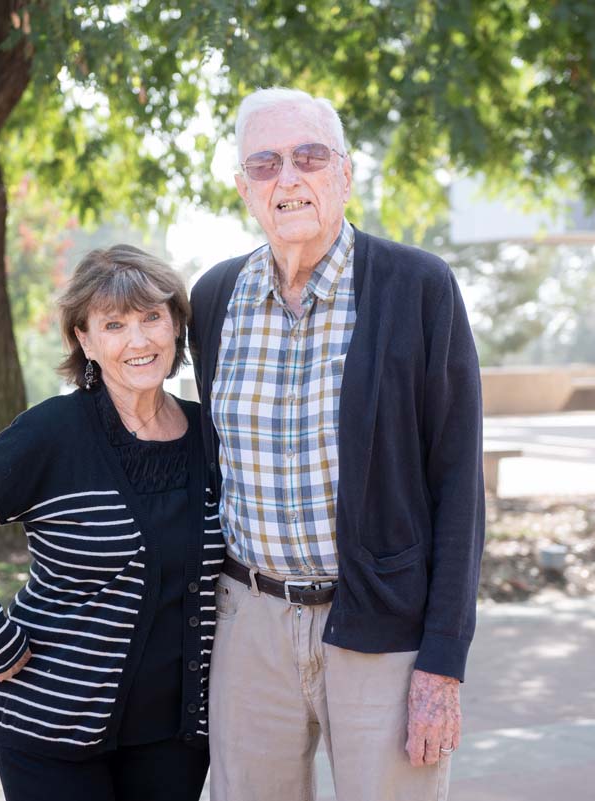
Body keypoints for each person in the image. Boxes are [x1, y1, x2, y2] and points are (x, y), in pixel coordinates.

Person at [189, 87, 485, 801]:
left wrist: (442, 661)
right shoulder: (213, 298)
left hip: (381, 622)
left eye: (308, 157)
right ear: (243, 188)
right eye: (264, 164)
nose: (287, 179)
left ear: (344, 174)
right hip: (249, 621)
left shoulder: (418, 287)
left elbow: (457, 485)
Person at [0, 245, 222, 801]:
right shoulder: (53, 433)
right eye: (114, 324)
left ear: (176, 326)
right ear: (85, 341)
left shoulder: (209, 433)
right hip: (50, 727)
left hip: (175, 739)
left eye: (152, 318)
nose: (138, 341)